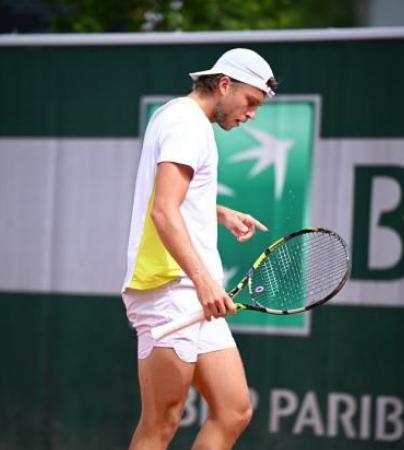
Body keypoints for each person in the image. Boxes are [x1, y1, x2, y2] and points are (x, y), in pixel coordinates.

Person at [121, 48, 278, 450]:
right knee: (162, 423)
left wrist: (217, 211)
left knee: (234, 410)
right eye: (250, 102)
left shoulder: (183, 119)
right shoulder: (187, 124)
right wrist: (205, 281)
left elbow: (174, 199)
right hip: (170, 289)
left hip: (190, 290)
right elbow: (163, 211)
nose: (251, 114)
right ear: (225, 85)